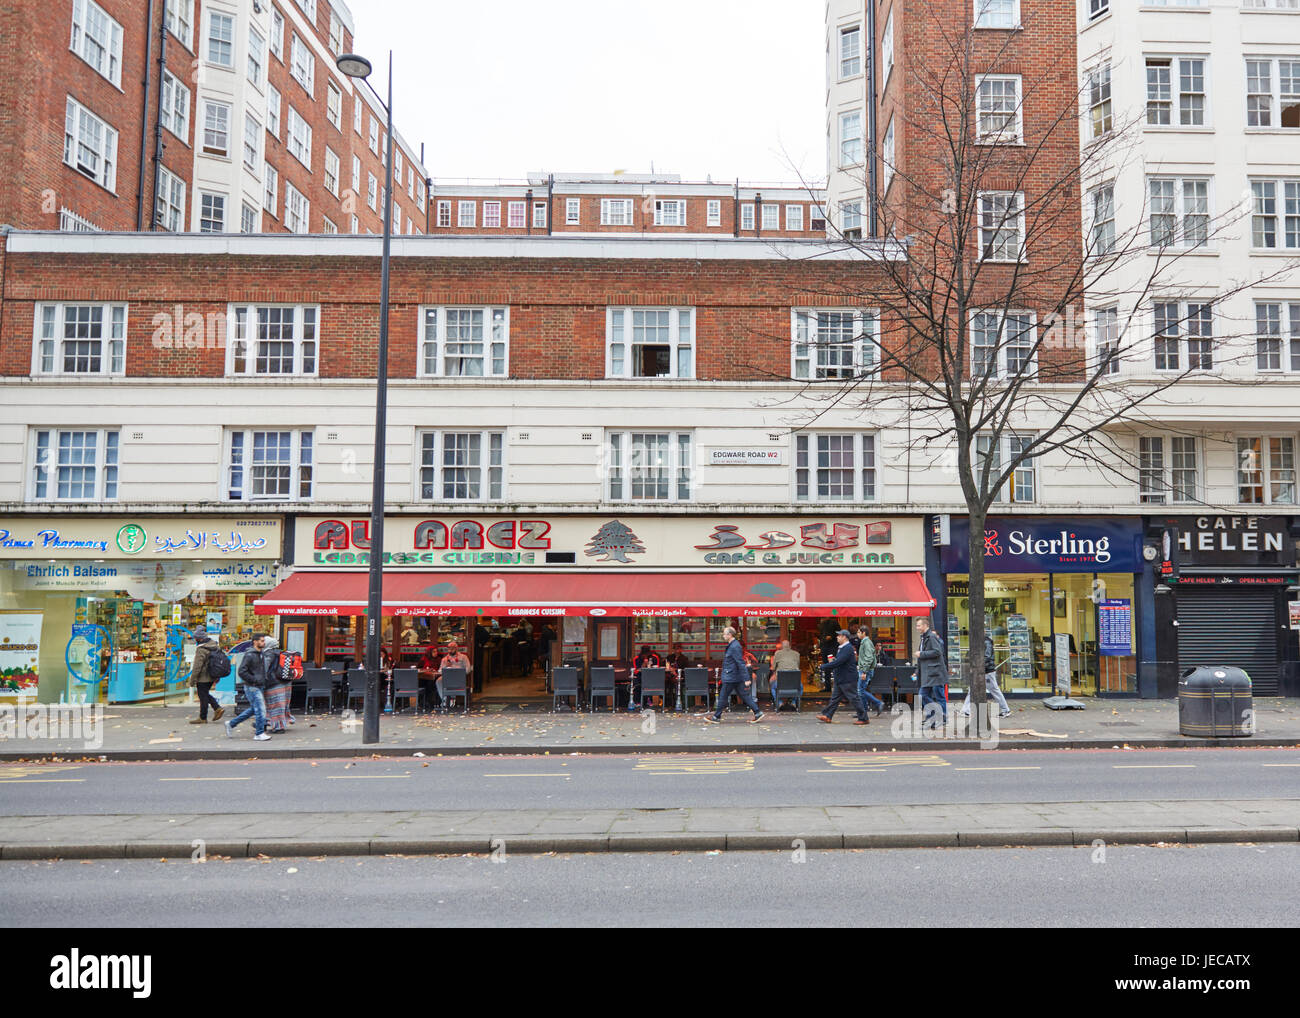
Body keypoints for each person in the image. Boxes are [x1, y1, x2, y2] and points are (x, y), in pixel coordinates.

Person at [703, 627, 764, 724]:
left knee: (723, 696)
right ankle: (757, 712)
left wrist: (746, 678)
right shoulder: (733, 645)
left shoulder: (734, 646)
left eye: (724, 634)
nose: (723, 636)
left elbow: (740, 662)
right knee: (744, 695)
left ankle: (716, 717)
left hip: (731, 676)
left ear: (730, 635)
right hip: (734, 676)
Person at [818, 629, 869, 725]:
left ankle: (864, 718)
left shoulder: (847, 648)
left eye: (839, 635)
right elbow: (840, 661)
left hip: (847, 678)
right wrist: (834, 660)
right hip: (841, 678)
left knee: (854, 698)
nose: (837, 637)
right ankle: (827, 716)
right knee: (835, 698)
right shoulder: (842, 647)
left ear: (844, 637)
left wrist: (824, 666)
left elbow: (839, 662)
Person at [227, 633, 271, 741]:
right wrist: (254, 679)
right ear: (255, 642)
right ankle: (259, 733)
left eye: (264, 641)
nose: (263, 643)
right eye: (261, 641)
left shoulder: (260, 654)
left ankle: (231, 724)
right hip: (252, 686)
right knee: (260, 709)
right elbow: (242, 671)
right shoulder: (250, 654)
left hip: (258, 685)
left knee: (254, 709)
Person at [963, 631, 1012, 718]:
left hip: (986, 671)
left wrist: (978, 666)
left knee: (993, 690)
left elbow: (987, 656)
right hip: (984, 670)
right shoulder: (983, 642)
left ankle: (1005, 709)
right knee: (973, 689)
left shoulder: (986, 642)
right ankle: (966, 710)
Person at [915, 617, 948, 730]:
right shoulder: (924, 637)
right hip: (928, 673)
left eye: (919, 625)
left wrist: (921, 654)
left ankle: (940, 716)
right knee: (922, 696)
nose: (917, 627)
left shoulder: (931, 637)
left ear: (925, 625)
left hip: (935, 673)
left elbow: (937, 652)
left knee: (937, 696)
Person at [187, 632, 224, 724]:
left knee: (203, 696)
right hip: (212, 675)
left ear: (198, 639)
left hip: (203, 677)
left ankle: (204, 716)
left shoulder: (201, 649)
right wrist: (217, 675)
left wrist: (192, 680)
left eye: (195, 638)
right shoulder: (214, 645)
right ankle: (215, 709)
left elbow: (197, 666)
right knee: (204, 694)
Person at [262, 636, 290, 733]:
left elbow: (264, 669)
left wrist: (260, 681)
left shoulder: (268, 653)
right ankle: (265, 723)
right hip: (284, 682)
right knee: (279, 706)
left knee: (273, 705)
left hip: (273, 684)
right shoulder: (280, 652)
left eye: (263, 642)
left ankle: (278, 728)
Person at [856, 624, 884, 716]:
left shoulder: (867, 642)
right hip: (865, 669)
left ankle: (878, 703)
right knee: (861, 690)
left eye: (859, 632)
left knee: (861, 690)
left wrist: (864, 671)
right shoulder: (865, 642)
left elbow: (869, 658)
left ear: (863, 633)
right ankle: (863, 711)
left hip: (866, 670)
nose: (857, 634)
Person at [769, 639, 801, 710]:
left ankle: (779, 702)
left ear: (782, 647)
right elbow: (798, 666)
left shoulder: (777, 653)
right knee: (800, 687)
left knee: (773, 687)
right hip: (794, 684)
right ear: (790, 646)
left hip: (781, 683)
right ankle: (793, 702)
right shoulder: (797, 654)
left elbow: (773, 667)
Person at [630, 645, 663, 711]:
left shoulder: (654, 657)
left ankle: (651, 700)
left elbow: (658, 669)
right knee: (636, 681)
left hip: (652, 676)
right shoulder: (637, 658)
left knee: (653, 681)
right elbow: (636, 671)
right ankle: (638, 701)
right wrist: (644, 663)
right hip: (640, 676)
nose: (645, 655)